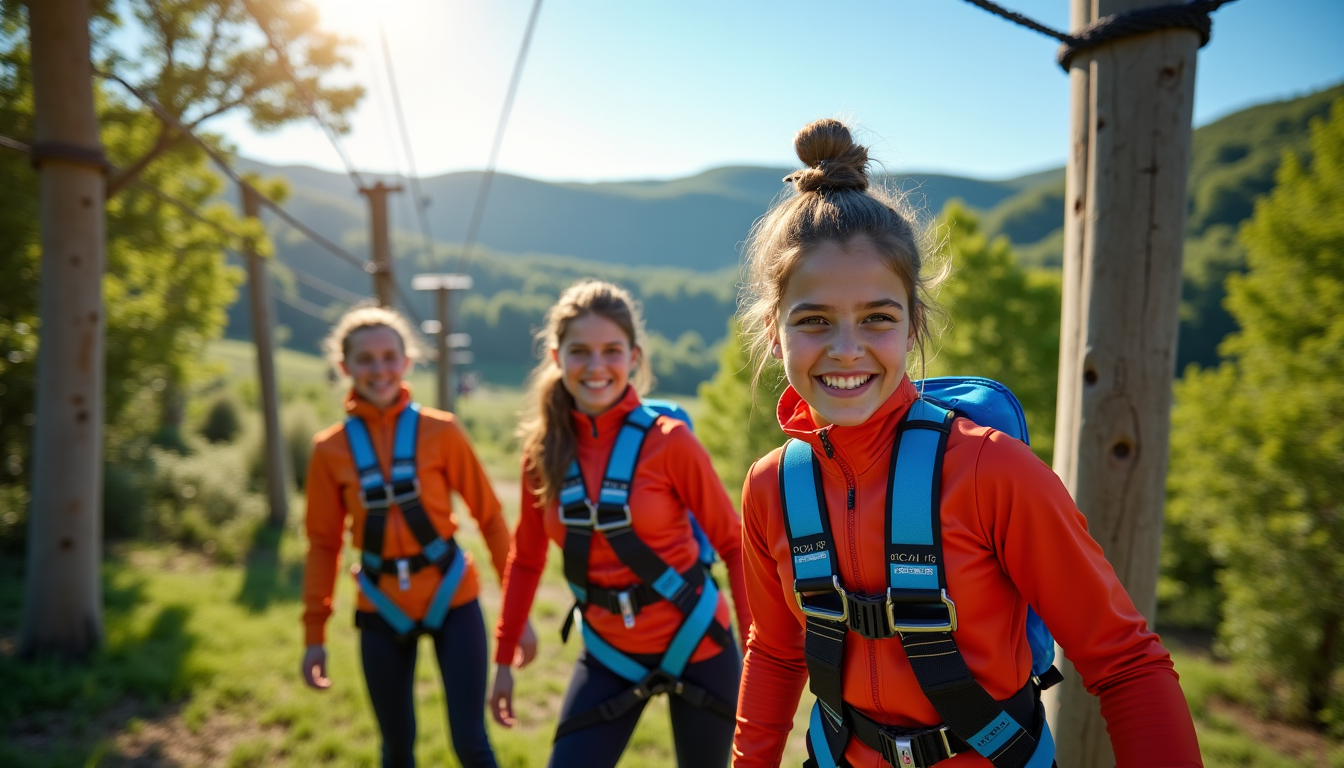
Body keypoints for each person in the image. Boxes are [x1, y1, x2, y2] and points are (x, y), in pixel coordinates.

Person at [730, 119, 1202, 768]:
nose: (846, 350)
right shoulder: (772, 487)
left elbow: (1124, 663)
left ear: (913, 324)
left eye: (877, 318)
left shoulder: (990, 472)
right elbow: (777, 650)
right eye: (813, 321)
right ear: (774, 332)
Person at [489, 280, 753, 768]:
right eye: (580, 351)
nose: (596, 366)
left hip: (699, 642)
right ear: (556, 356)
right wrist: (503, 657)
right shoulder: (542, 454)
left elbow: (734, 545)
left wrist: (756, 656)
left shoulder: (670, 443)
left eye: (611, 350)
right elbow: (525, 559)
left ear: (633, 356)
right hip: (610, 651)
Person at [300, 303, 535, 768]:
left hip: (452, 597)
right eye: (365, 359)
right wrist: (314, 633)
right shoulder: (330, 450)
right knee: (396, 748)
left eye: (389, 356)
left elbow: (490, 518)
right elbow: (323, 545)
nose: (379, 369)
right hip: (380, 605)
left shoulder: (440, 432)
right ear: (345, 367)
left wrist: (518, 611)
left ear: (407, 362)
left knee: (471, 743)